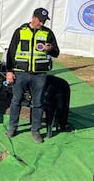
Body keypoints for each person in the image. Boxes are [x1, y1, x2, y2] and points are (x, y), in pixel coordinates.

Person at [5, 7, 60, 143]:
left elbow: (56, 53)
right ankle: (12, 128)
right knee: (16, 101)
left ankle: (35, 131)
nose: (42, 23)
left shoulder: (48, 33)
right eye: (40, 20)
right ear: (33, 18)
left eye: (44, 21)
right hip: (20, 73)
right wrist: (9, 71)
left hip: (39, 75)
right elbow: (11, 52)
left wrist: (50, 49)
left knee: (38, 103)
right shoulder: (20, 31)